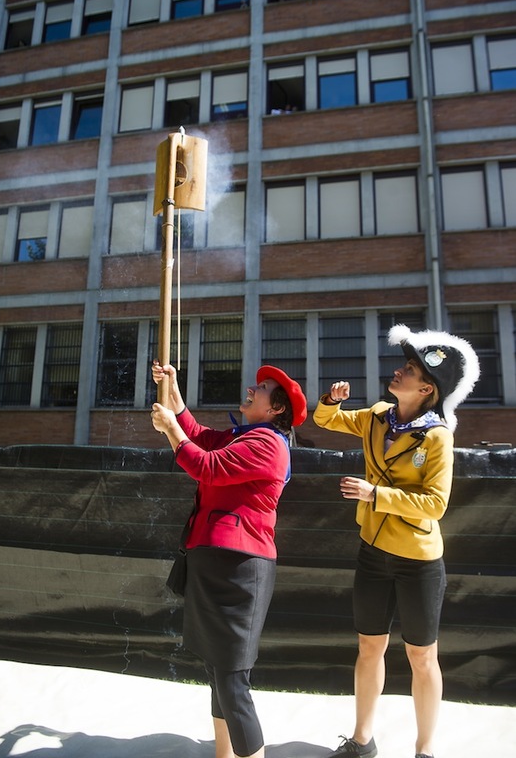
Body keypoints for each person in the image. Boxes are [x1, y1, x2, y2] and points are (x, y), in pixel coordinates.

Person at [313, 324, 480, 758]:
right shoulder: (376, 416)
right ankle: (362, 741)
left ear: (426, 388)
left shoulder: (439, 436)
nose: (398, 372)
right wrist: (332, 400)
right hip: (373, 552)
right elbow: (324, 419)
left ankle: (424, 750)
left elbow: (435, 505)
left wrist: (376, 495)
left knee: (422, 657)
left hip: (419, 562)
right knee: (369, 648)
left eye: (409, 370)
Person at [150, 361, 307, 758]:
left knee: (232, 680)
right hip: (216, 558)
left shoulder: (269, 444)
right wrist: (173, 392)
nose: (253, 389)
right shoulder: (245, 436)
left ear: (275, 410)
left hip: (240, 567)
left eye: (264, 388)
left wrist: (170, 428)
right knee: (216, 671)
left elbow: (207, 466)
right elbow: (200, 436)